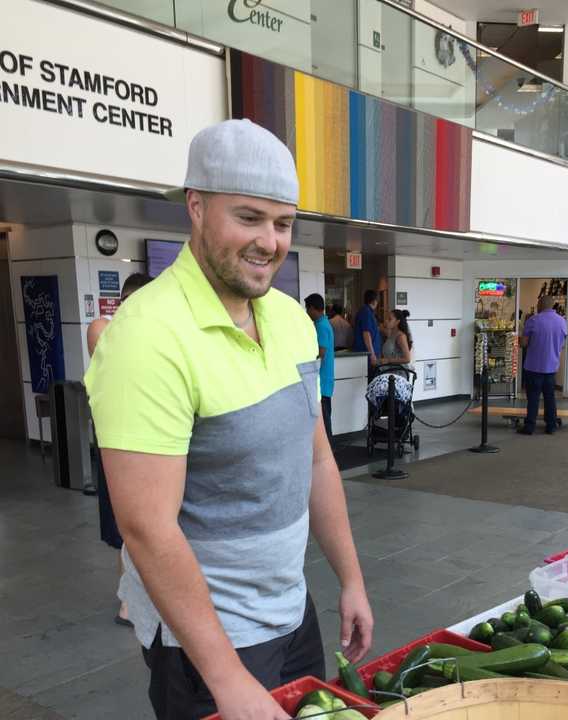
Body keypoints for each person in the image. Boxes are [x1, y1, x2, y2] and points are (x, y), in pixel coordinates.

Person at [84, 119, 373, 720]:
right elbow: (147, 529)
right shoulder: (147, 336)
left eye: (284, 222)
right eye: (248, 217)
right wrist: (227, 678)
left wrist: (350, 578)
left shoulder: (291, 319)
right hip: (208, 644)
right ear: (196, 206)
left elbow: (315, 457)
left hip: (291, 611)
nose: (270, 241)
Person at [87, 271, 152, 628]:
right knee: (126, 529)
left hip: (150, 443)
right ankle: (129, 601)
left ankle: (136, 598)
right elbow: (115, 361)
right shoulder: (104, 328)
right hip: (119, 446)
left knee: (144, 527)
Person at [518, 295, 568, 435]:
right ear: (552, 306)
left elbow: (524, 343)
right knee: (550, 397)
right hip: (551, 367)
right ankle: (551, 425)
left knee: (533, 398)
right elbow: (562, 341)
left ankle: (529, 426)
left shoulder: (533, 320)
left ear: (540, 305)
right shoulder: (562, 321)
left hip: (533, 367)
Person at [305, 293, 335, 441]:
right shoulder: (324, 323)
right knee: (324, 414)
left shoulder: (321, 326)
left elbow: (321, 353)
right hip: (325, 379)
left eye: (307, 309)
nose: (307, 313)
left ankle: (328, 446)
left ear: (312, 308)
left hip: (322, 380)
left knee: (324, 416)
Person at [353, 290, 382, 368]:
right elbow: (366, 334)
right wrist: (372, 354)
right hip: (367, 356)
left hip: (368, 354)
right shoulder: (366, 312)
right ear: (374, 301)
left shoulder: (368, 312)